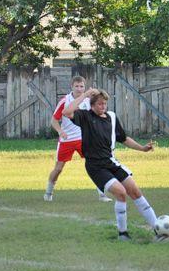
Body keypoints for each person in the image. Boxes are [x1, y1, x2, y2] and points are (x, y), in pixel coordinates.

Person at [62, 88, 159, 241]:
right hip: (95, 166)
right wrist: (86, 94)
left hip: (111, 162)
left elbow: (124, 138)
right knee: (120, 192)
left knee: (135, 191)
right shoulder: (85, 116)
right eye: (100, 104)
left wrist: (142, 148)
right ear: (92, 105)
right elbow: (67, 112)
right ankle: (123, 234)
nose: (103, 107)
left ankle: (158, 228)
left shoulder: (112, 117)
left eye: (105, 103)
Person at [44, 76, 111, 203]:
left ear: (85, 87)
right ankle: (48, 192)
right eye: (77, 86)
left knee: (96, 164)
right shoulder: (65, 101)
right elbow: (54, 120)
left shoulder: (89, 100)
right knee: (58, 169)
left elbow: (100, 99)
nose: (79, 89)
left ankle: (102, 195)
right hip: (67, 140)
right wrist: (60, 131)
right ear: (72, 87)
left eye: (82, 86)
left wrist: (95, 92)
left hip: (83, 138)